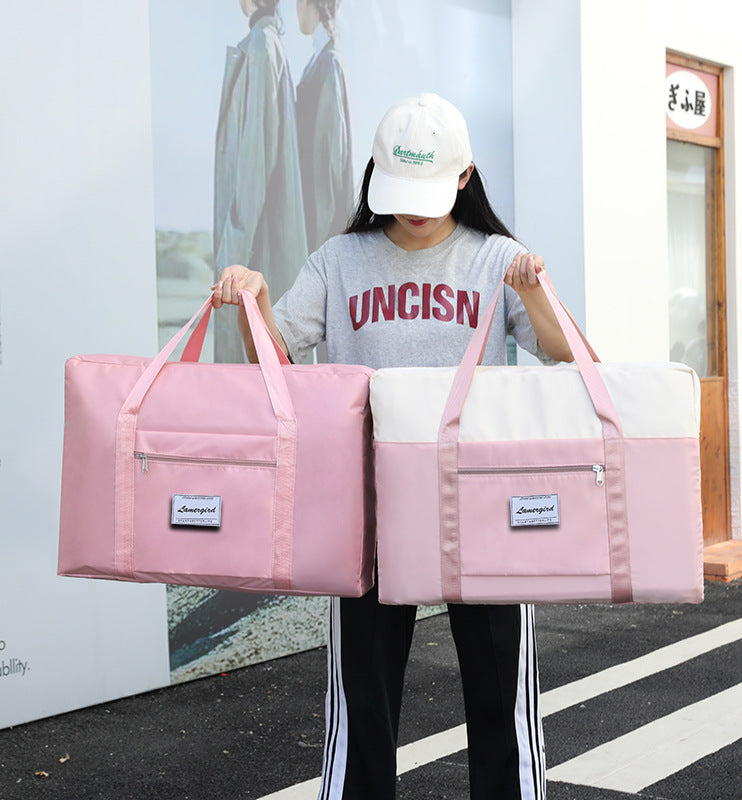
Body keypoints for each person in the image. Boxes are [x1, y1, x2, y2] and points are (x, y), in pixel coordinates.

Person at [213, 93, 573, 800]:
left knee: (500, 700)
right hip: (370, 504)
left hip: (478, 500)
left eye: (432, 191)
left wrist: (534, 292)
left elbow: (562, 350)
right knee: (365, 705)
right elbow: (275, 357)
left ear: (465, 178)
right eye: (400, 190)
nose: (413, 208)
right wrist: (254, 299)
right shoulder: (340, 261)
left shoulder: (496, 258)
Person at [213, 0, 308, 363]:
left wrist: (230, 259)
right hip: (258, 247)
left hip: (252, 252)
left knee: (245, 393)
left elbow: (253, 159)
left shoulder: (261, 45)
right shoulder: (267, 43)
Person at [295, 0, 354, 253]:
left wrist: (316, 249)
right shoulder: (320, 60)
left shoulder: (329, 63)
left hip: (321, 234)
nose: (296, 10)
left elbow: (327, 165)